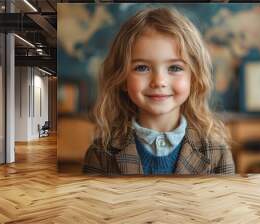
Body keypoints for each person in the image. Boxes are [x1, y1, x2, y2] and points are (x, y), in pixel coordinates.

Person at [83, 7, 235, 175]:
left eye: (175, 67)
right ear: (123, 78)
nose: (159, 82)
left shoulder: (217, 152)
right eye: (142, 67)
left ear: (194, 77)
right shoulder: (100, 153)